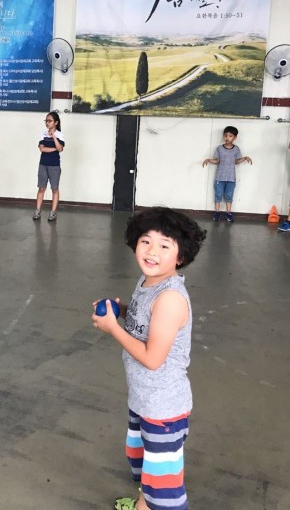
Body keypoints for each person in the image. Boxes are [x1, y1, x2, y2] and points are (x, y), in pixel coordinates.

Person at [92, 207, 206, 510]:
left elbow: (153, 358)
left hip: (163, 408)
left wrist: (113, 328)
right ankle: (144, 504)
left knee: (165, 491)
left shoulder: (170, 299)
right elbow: (144, 321)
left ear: (180, 257)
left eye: (164, 245)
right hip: (144, 399)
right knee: (147, 468)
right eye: (146, 241)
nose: (152, 251)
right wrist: (121, 311)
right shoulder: (148, 282)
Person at [201, 126, 252, 222]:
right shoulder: (219, 148)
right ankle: (217, 213)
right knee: (218, 194)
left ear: (235, 137)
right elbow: (217, 161)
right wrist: (208, 160)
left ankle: (229, 213)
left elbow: (236, 161)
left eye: (230, 136)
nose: (227, 138)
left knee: (229, 195)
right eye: (225, 135)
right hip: (220, 178)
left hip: (231, 178)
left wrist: (245, 158)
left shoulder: (236, 149)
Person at [33, 112, 65, 221]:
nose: (47, 123)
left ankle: (53, 212)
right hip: (43, 164)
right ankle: (37, 211)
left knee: (54, 189)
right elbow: (42, 149)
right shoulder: (43, 134)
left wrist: (54, 137)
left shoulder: (60, 134)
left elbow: (60, 148)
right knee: (41, 188)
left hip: (54, 165)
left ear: (56, 122)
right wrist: (54, 149)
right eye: (46, 121)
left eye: (50, 121)